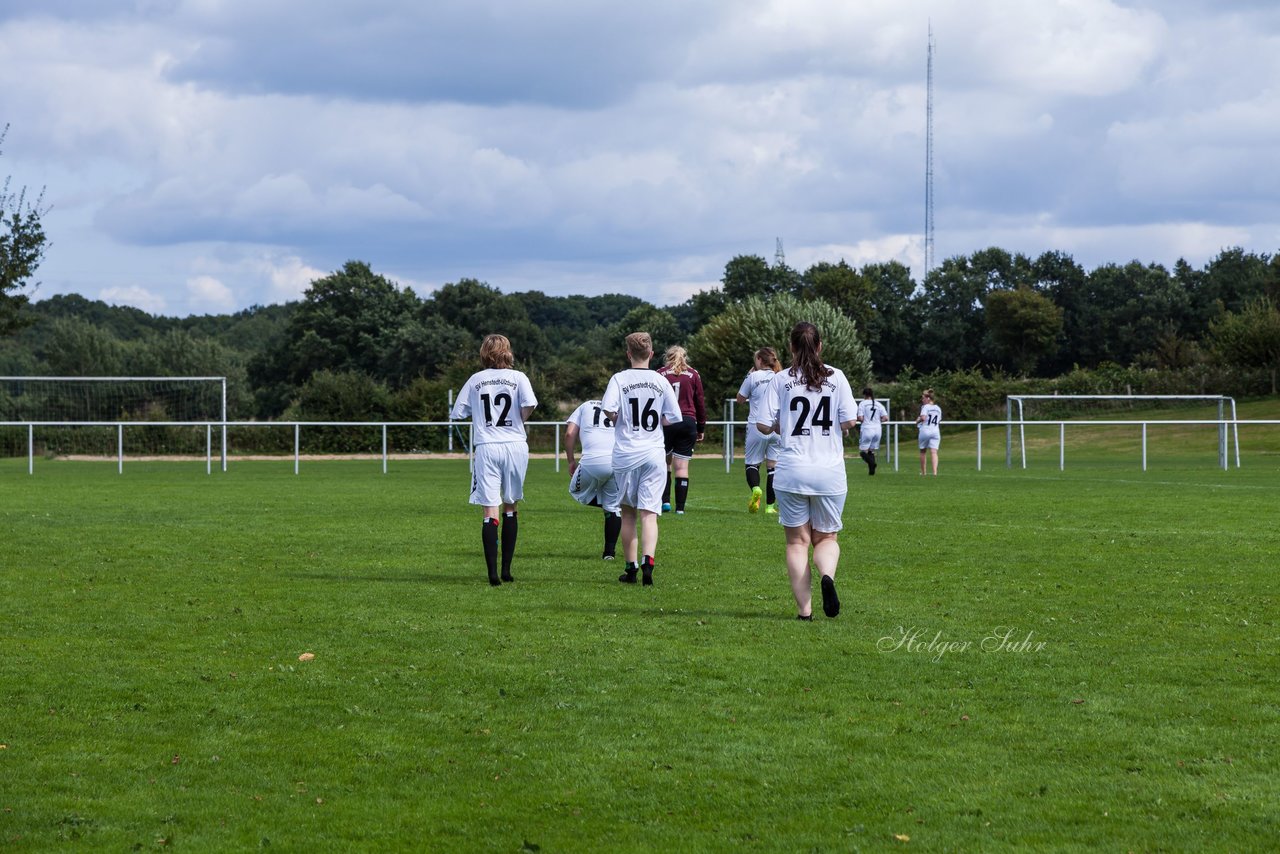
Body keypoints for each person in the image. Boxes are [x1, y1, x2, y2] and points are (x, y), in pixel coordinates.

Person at [757, 322, 857, 620]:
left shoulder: (780, 380)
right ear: (820, 346)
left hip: (792, 470)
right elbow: (850, 421)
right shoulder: (837, 377)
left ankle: (805, 611)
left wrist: (781, 425)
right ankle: (827, 576)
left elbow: (762, 425)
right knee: (826, 539)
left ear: (790, 347)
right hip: (829, 471)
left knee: (797, 542)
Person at [449, 334, 538, 586]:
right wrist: (519, 419)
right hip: (515, 445)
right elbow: (530, 404)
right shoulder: (518, 377)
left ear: (484, 353)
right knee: (511, 505)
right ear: (507, 352)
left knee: (490, 510)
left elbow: (458, 413)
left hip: (487, 446)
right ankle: (507, 570)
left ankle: (492, 574)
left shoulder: (476, 380)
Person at [601, 332, 682, 585]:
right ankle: (648, 563)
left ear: (628, 354)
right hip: (654, 453)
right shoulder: (661, 381)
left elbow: (608, 409)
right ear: (651, 353)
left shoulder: (619, 378)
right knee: (649, 514)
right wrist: (658, 422)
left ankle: (631, 568)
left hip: (626, 454)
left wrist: (619, 421)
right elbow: (674, 417)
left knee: (627, 514)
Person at [564, 398, 623, 562]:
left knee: (575, 491)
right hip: (616, 460)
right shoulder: (617, 406)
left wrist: (570, 461)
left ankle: (613, 503)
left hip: (593, 461)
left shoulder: (585, 406)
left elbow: (570, 433)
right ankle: (609, 553)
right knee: (613, 508)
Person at [656, 345, 706, 515]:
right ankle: (680, 509)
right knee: (682, 467)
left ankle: (665, 503)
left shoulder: (660, 373)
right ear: (685, 357)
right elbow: (700, 402)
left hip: (667, 421)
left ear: (667, 357)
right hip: (687, 421)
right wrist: (701, 427)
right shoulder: (694, 374)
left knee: (664, 464)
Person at [735, 347, 783, 513]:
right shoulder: (780, 377)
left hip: (757, 425)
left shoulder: (753, 376)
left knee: (752, 464)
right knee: (772, 467)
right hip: (776, 427)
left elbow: (740, 399)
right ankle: (770, 507)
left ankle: (756, 489)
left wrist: (748, 377)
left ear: (760, 361)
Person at [856, 387, 889, 476]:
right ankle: (871, 472)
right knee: (871, 450)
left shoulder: (863, 404)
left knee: (863, 451)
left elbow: (861, 418)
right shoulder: (878, 404)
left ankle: (871, 463)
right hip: (878, 429)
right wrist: (878, 421)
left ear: (864, 395)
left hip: (867, 428)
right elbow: (886, 418)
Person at [917, 388, 942, 476]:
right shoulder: (938, 408)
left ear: (928, 398)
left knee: (923, 451)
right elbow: (939, 420)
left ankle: (924, 473)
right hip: (935, 431)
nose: (922, 400)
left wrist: (918, 420)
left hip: (926, 430)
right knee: (934, 452)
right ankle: (935, 472)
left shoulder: (925, 407)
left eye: (923, 398)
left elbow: (923, 418)